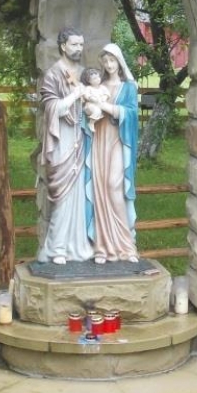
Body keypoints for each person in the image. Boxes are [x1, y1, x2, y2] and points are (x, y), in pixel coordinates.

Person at [36, 27, 95, 265]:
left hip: (81, 139)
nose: (79, 49)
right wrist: (74, 96)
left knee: (80, 195)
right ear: (63, 46)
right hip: (62, 141)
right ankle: (56, 248)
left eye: (81, 44)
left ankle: (78, 246)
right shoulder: (53, 73)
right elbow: (52, 108)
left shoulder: (83, 73)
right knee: (63, 196)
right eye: (74, 44)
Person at [84, 43, 139, 264]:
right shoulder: (99, 85)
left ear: (119, 61)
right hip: (99, 139)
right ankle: (102, 247)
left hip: (118, 139)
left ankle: (126, 246)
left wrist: (105, 107)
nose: (109, 65)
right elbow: (87, 107)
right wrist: (89, 107)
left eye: (112, 60)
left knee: (114, 186)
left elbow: (132, 114)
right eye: (105, 61)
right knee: (100, 189)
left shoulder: (128, 87)